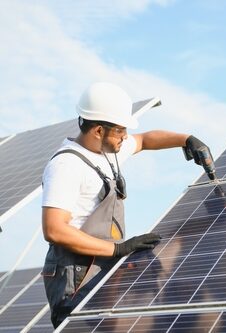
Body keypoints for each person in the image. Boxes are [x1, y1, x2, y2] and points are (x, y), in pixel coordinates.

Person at [41, 82, 213, 328]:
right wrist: (118, 250)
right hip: (76, 276)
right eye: (120, 131)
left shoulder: (108, 150)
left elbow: (144, 140)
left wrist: (186, 140)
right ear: (99, 130)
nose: (125, 137)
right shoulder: (66, 166)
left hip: (102, 267)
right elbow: (54, 229)